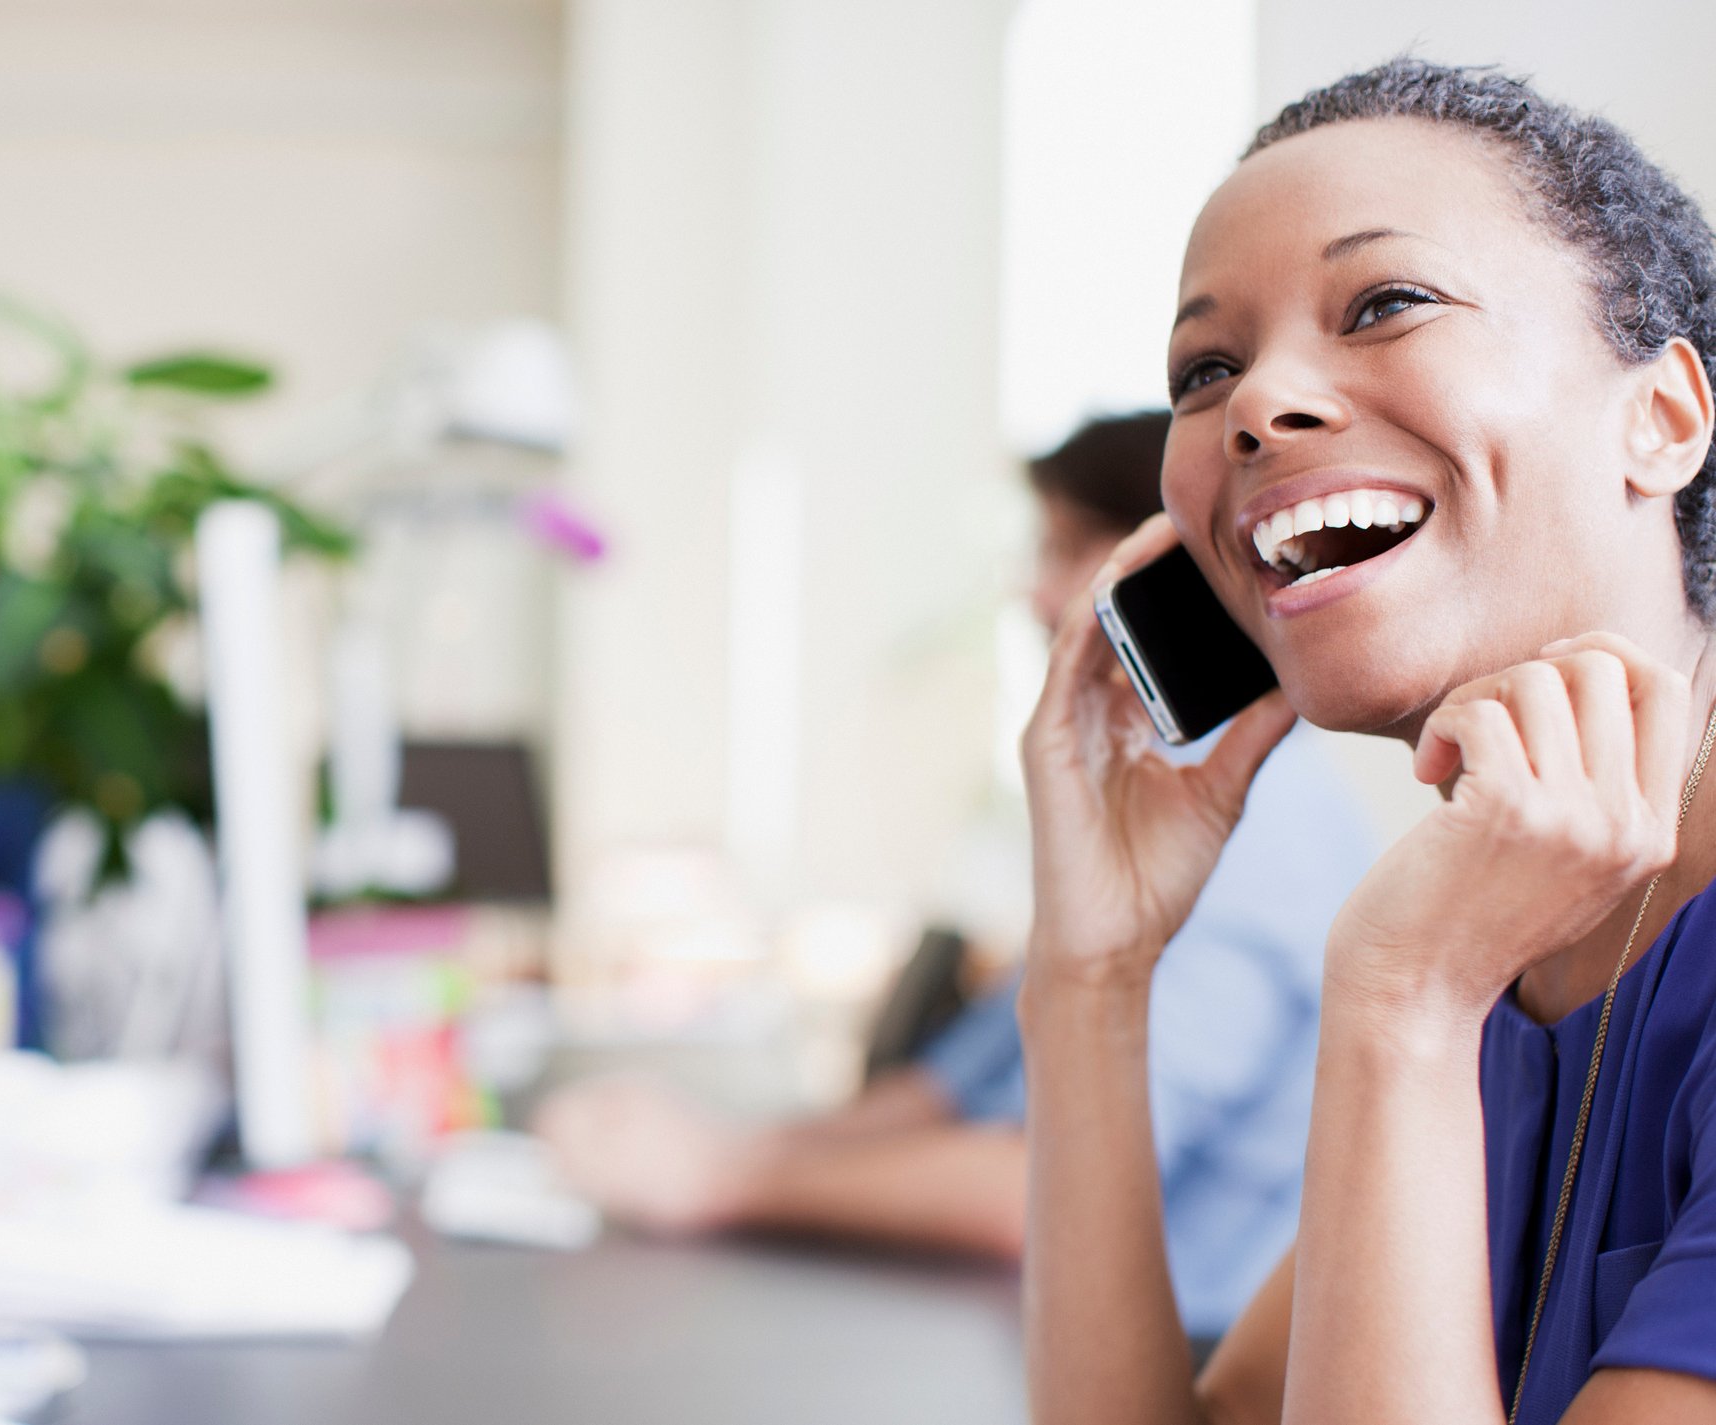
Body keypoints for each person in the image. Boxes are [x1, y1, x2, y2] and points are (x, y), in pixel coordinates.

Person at [1021, 59, 1716, 1425]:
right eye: (1205, 367)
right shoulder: (1501, 919)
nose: (1255, 407)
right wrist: (1088, 978)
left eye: (1386, 303)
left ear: (1663, 418)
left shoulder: (1436, 962)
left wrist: (1403, 999)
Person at [538, 412, 1380, 1344]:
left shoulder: (1258, 833)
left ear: (1173, 556)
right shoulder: (1159, 778)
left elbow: (1036, 1188)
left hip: (1193, 1360)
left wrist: (720, 1180)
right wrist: (736, 1145)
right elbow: (955, 1088)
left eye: (1066, 549)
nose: (1036, 591)